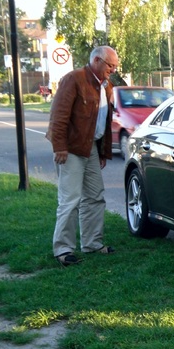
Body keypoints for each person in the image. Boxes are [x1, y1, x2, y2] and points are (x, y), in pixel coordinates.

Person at [46, 45, 119, 266]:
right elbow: (58, 116)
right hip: (70, 149)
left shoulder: (107, 86)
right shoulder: (74, 79)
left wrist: (104, 151)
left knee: (95, 197)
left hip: (92, 150)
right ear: (96, 60)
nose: (113, 70)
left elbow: (104, 122)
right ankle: (63, 250)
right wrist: (59, 146)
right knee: (70, 200)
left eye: (115, 66)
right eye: (110, 65)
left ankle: (92, 244)